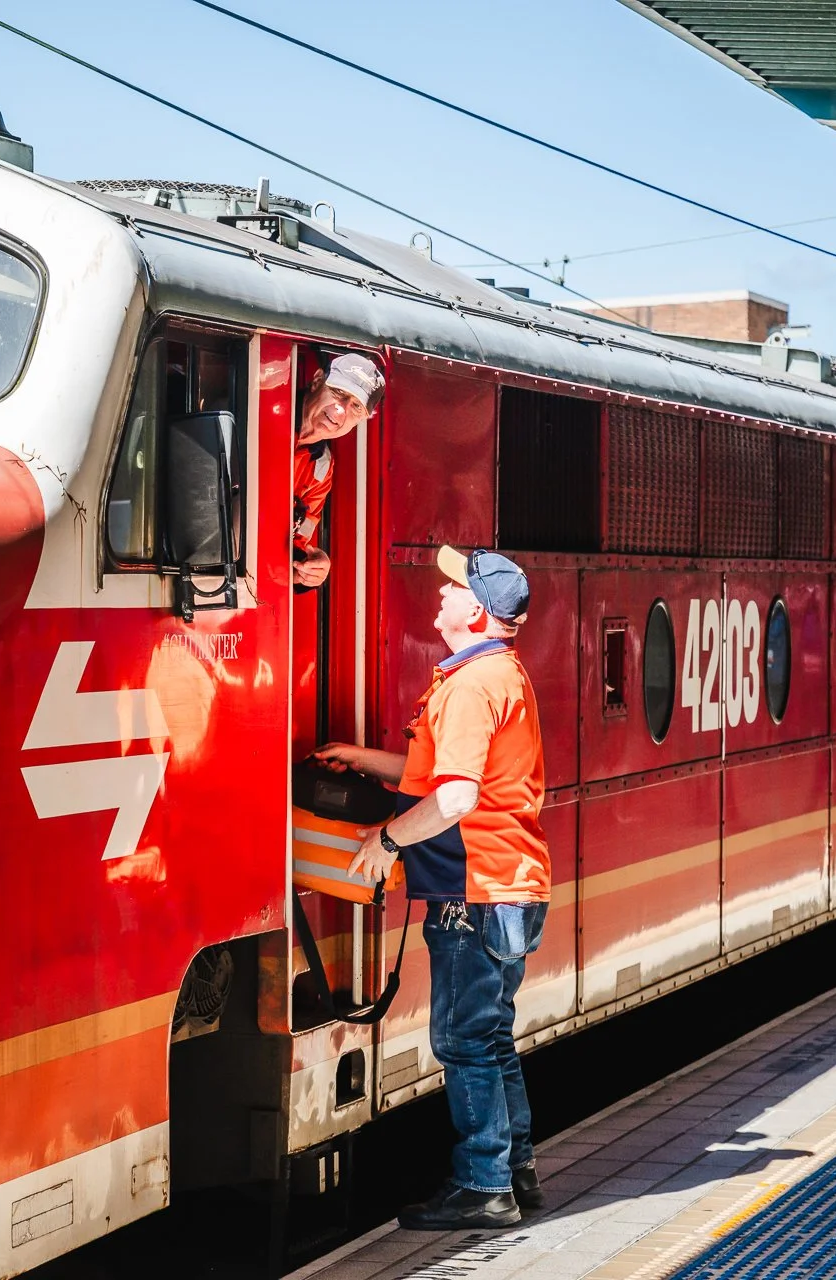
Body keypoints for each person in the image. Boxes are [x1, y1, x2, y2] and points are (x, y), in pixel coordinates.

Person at [312, 547, 550, 1230]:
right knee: (492, 1037)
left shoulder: (472, 686)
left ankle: (484, 1187)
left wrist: (385, 840)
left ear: (475, 611)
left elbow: (455, 798)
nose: (440, 593)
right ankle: (515, 1172)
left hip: (475, 894)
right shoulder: (496, 673)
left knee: (464, 1042)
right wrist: (364, 760)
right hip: (507, 886)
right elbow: (439, 776)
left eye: (453, 587)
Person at [293, 352, 385, 588]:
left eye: (356, 407)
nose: (341, 410)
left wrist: (310, 570)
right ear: (317, 381)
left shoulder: (322, 469)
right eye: (338, 392)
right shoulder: (258, 415)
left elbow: (297, 542)